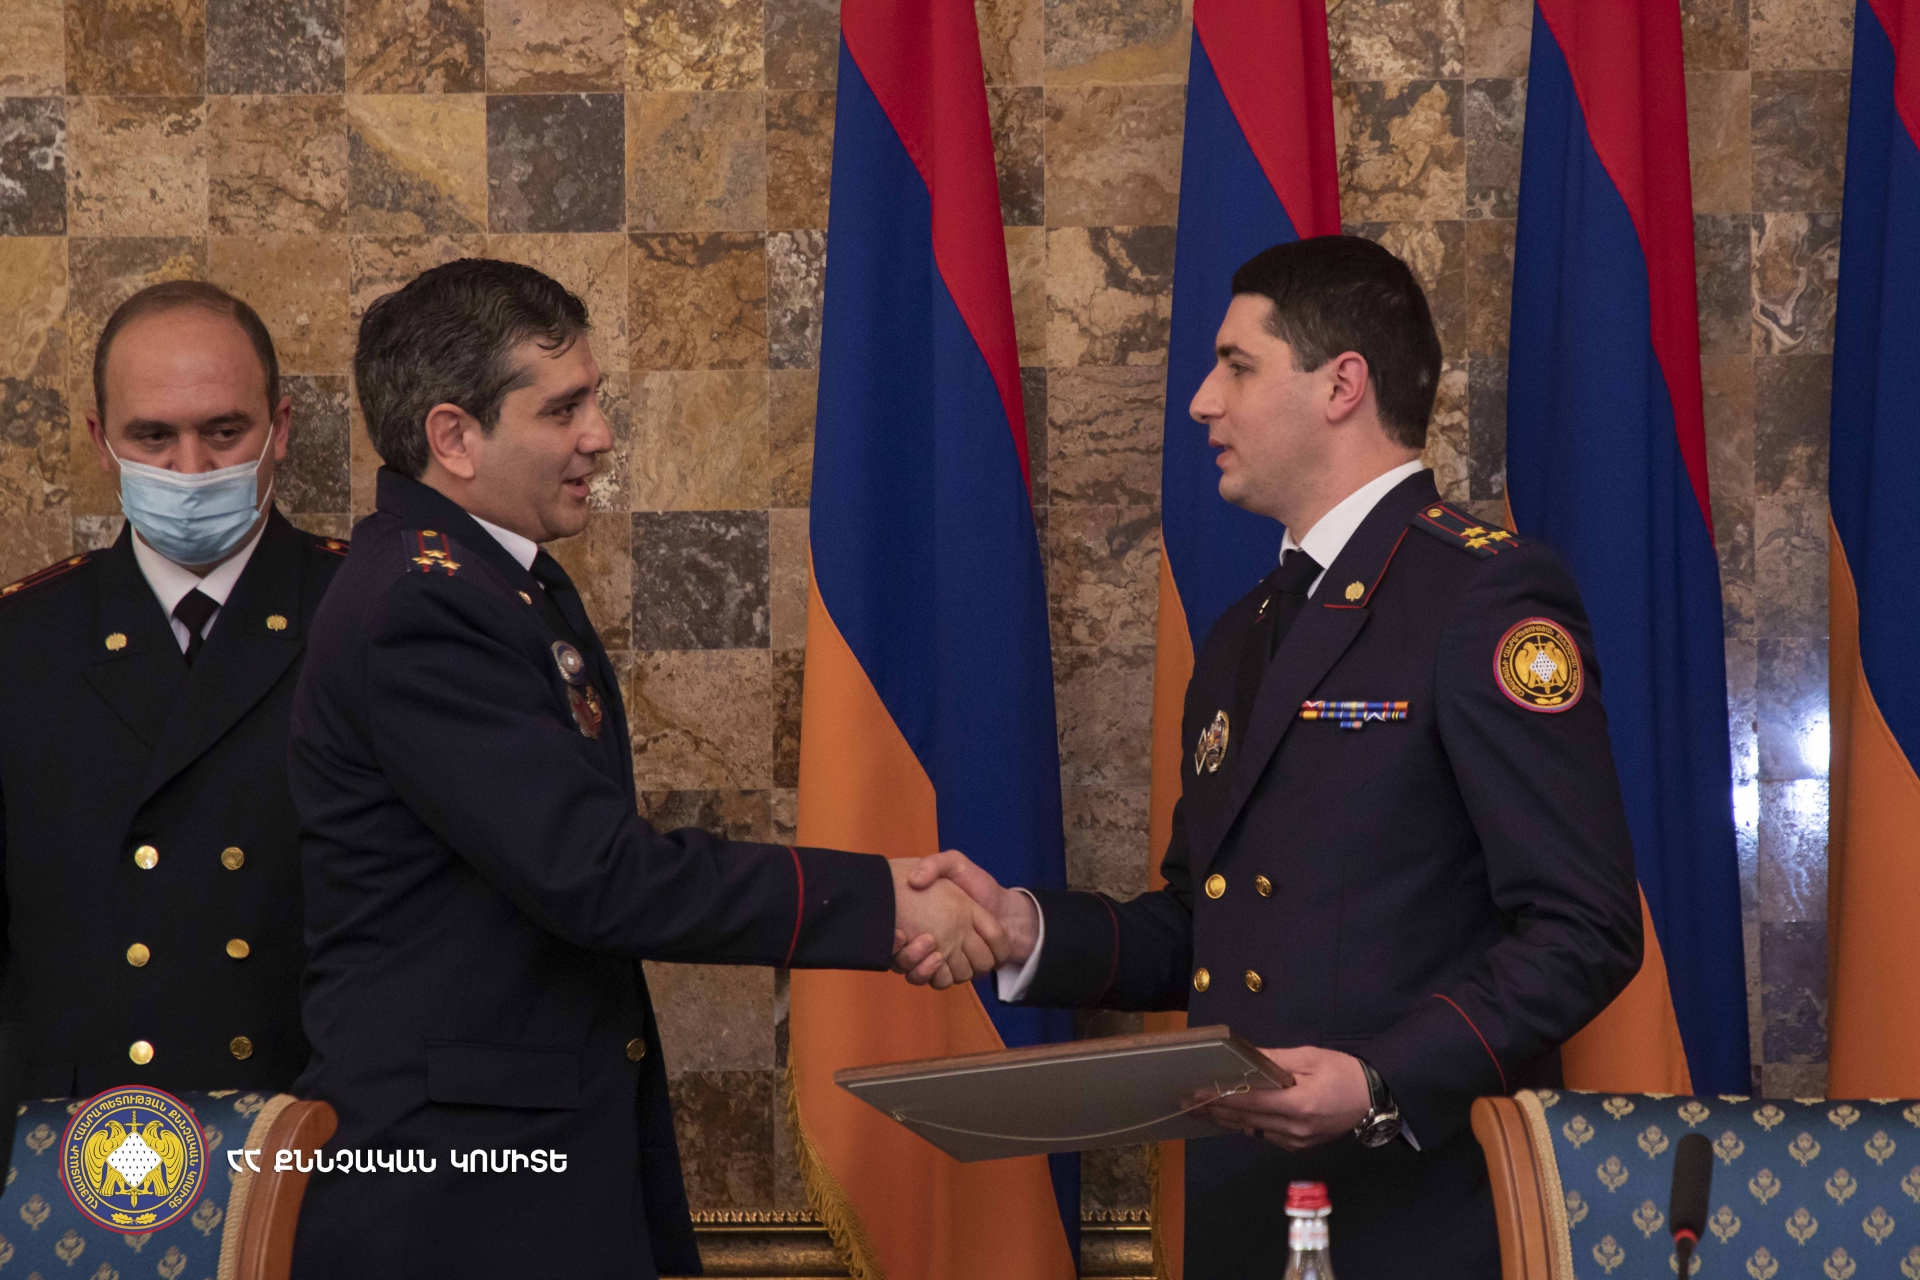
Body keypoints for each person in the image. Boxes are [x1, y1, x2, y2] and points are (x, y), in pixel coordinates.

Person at [912, 236, 1643, 1277]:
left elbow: (1587, 924)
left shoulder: (1482, 595)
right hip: (1246, 1215)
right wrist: (1027, 928)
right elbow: (1205, 922)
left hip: (1415, 1220)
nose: (1202, 402)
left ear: (1342, 384)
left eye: (1237, 366)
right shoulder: (1244, 631)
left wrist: (1380, 1080)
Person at [287, 258, 1001, 1279]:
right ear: (453, 437)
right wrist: (883, 900)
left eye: (595, 399)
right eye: (563, 408)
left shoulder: (494, 581)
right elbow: (596, 874)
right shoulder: (423, 604)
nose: (600, 435)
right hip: (461, 1196)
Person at [0, 281, 347, 1096]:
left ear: (281, 428)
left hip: (310, 1125)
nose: (191, 470)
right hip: (87, 1137)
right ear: (101, 441)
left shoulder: (369, 618)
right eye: (153, 436)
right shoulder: (21, 642)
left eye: (224, 432)